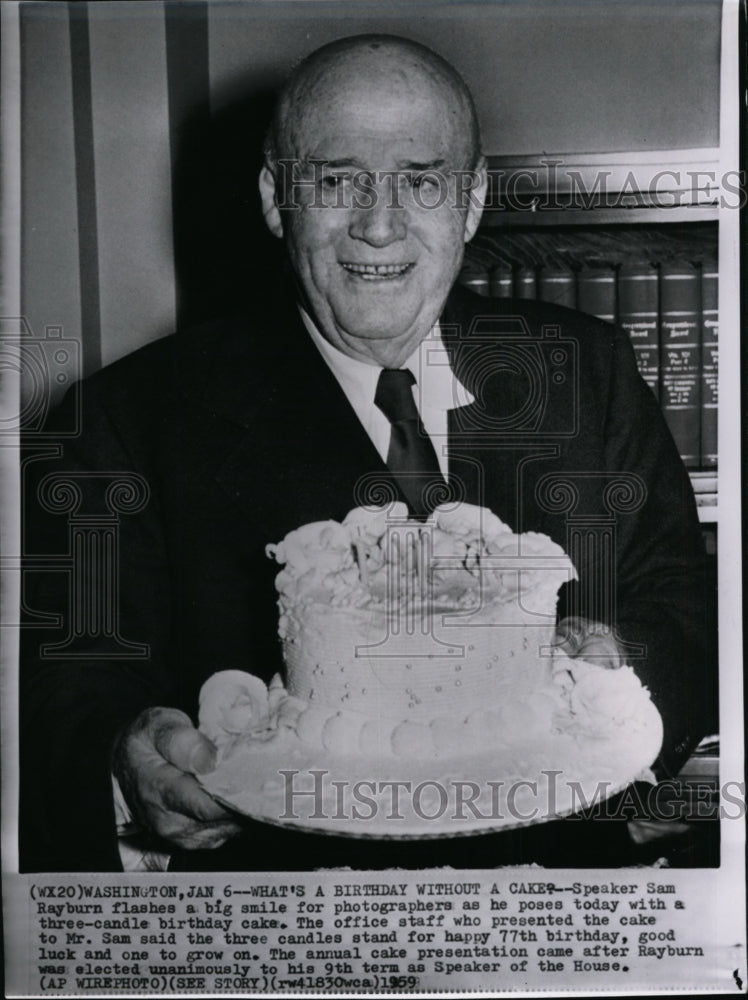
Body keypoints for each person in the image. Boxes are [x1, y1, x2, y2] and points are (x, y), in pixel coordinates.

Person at [20, 34, 715, 872]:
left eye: (421, 180)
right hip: (284, 934)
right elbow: (74, 691)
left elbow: (680, 606)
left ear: (472, 199)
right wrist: (127, 763)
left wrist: (621, 686)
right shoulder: (127, 419)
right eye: (337, 179)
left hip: (554, 901)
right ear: (278, 198)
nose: (378, 224)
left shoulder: (587, 370)